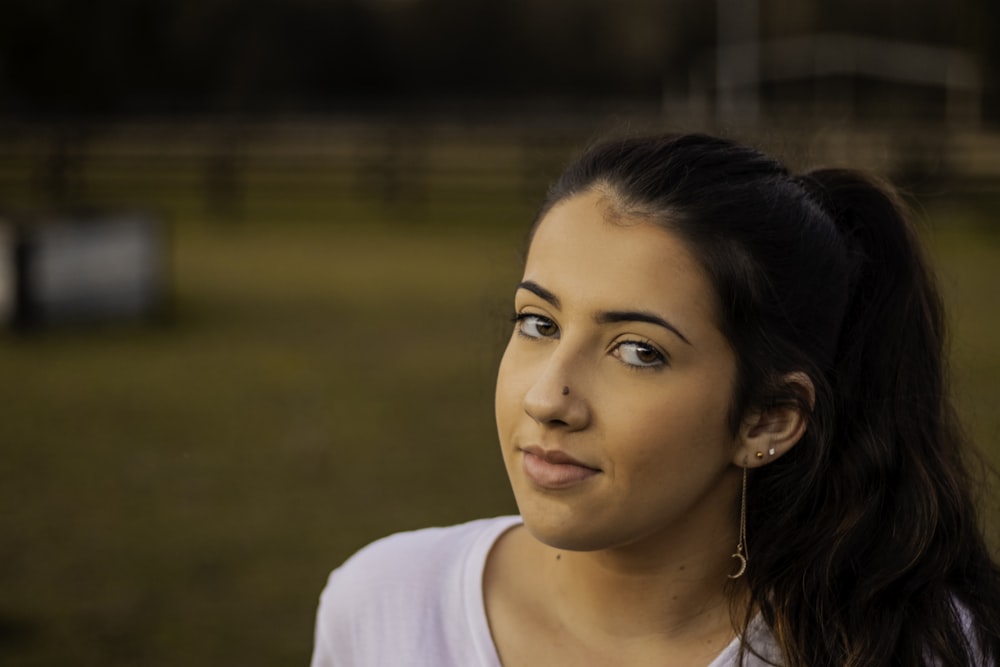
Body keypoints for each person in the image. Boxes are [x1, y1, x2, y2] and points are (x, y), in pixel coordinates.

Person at [310, 133, 1000, 666]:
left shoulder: (917, 646)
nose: (549, 396)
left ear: (769, 418)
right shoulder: (386, 606)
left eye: (639, 351)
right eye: (537, 323)